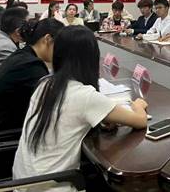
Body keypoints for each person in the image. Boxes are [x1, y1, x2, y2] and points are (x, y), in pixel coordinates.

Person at [12, 26, 148, 189]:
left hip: (22, 182)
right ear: (91, 58)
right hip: (53, 185)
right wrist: (138, 104)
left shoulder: (45, 83)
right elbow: (140, 121)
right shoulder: (85, 95)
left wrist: (102, 119)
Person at [0, 18, 65, 132]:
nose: (61, 51)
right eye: (60, 45)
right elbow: (49, 105)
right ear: (48, 39)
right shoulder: (31, 66)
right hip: (3, 133)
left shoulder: (22, 55)